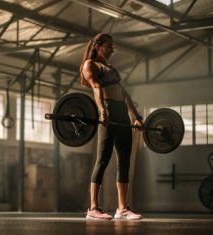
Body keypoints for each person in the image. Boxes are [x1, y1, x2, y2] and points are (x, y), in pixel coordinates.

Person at [80, 33, 143, 220]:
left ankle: (122, 209)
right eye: (109, 46)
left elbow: (123, 93)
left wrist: (136, 117)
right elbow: (96, 87)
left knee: (124, 159)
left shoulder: (110, 67)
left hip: (121, 112)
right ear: (98, 46)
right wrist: (102, 112)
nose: (112, 50)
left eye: (113, 47)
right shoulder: (89, 65)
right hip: (107, 109)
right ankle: (93, 208)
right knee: (103, 159)